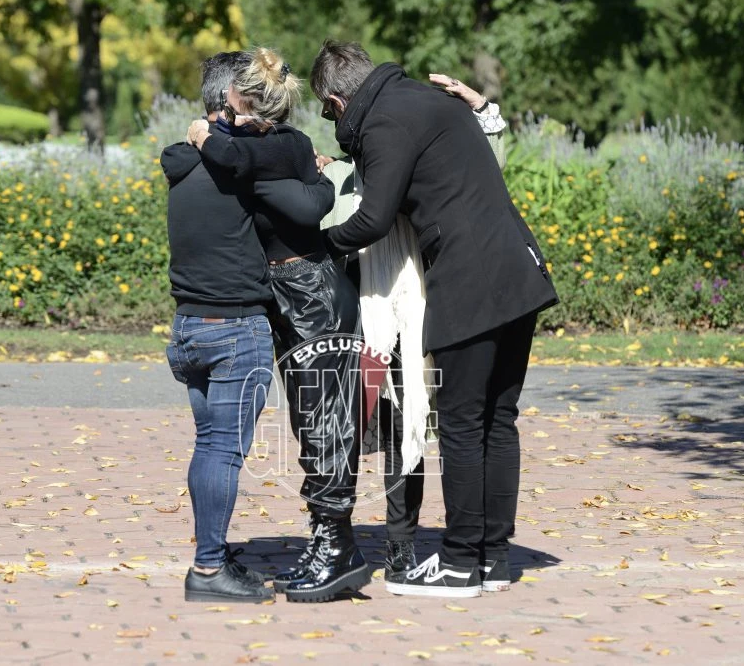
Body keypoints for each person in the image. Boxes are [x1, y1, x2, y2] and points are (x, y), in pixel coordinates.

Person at [311, 40, 559, 598]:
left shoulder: (383, 123)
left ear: (336, 100)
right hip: (518, 269)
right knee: (498, 418)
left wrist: (319, 244)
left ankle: (458, 563)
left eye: (328, 113)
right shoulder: (425, 100)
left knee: (463, 422)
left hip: (469, 280)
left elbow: (373, 218)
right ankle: (493, 558)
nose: (332, 123)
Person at [186, 48, 369, 603]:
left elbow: (235, 164)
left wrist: (203, 134)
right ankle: (326, 537)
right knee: (310, 417)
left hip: (312, 291)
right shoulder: (278, 147)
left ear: (238, 100)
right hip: (288, 292)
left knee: (326, 417)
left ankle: (337, 546)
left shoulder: (263, 147)